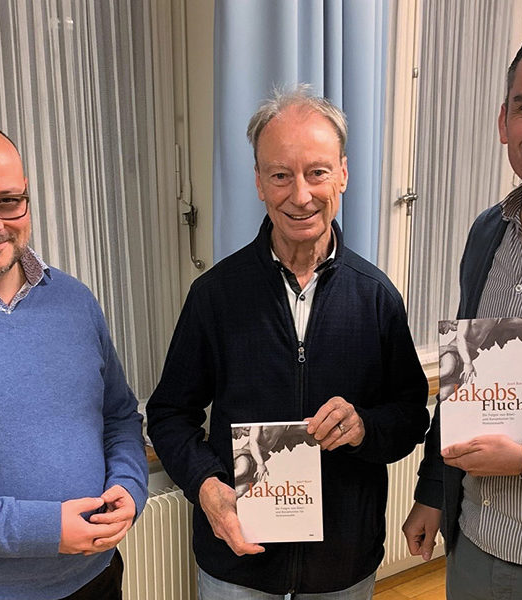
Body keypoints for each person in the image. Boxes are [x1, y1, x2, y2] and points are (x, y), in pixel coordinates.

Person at [147, 85, 429, 599]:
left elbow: (411, 414)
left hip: (341, 569)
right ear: (259, 182)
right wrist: (208, 488)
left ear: (343, 172)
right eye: (280, 175)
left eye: (317, 172)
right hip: (237, 566)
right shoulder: (215, 296)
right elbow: (169, 414)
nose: (300, 195)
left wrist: (365, 425)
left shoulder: (376, 298)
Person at [402, 21, 522, 600]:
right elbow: (463, 385)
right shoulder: (487, 234)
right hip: (471, 543)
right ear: (505, 122)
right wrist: (432, 489)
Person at [0, 123, 148, 600]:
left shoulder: (75, 300)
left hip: (97, 578)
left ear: (27, 198)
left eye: (7, 202)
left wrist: (129, 487)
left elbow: (118, 415)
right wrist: (46, 529)